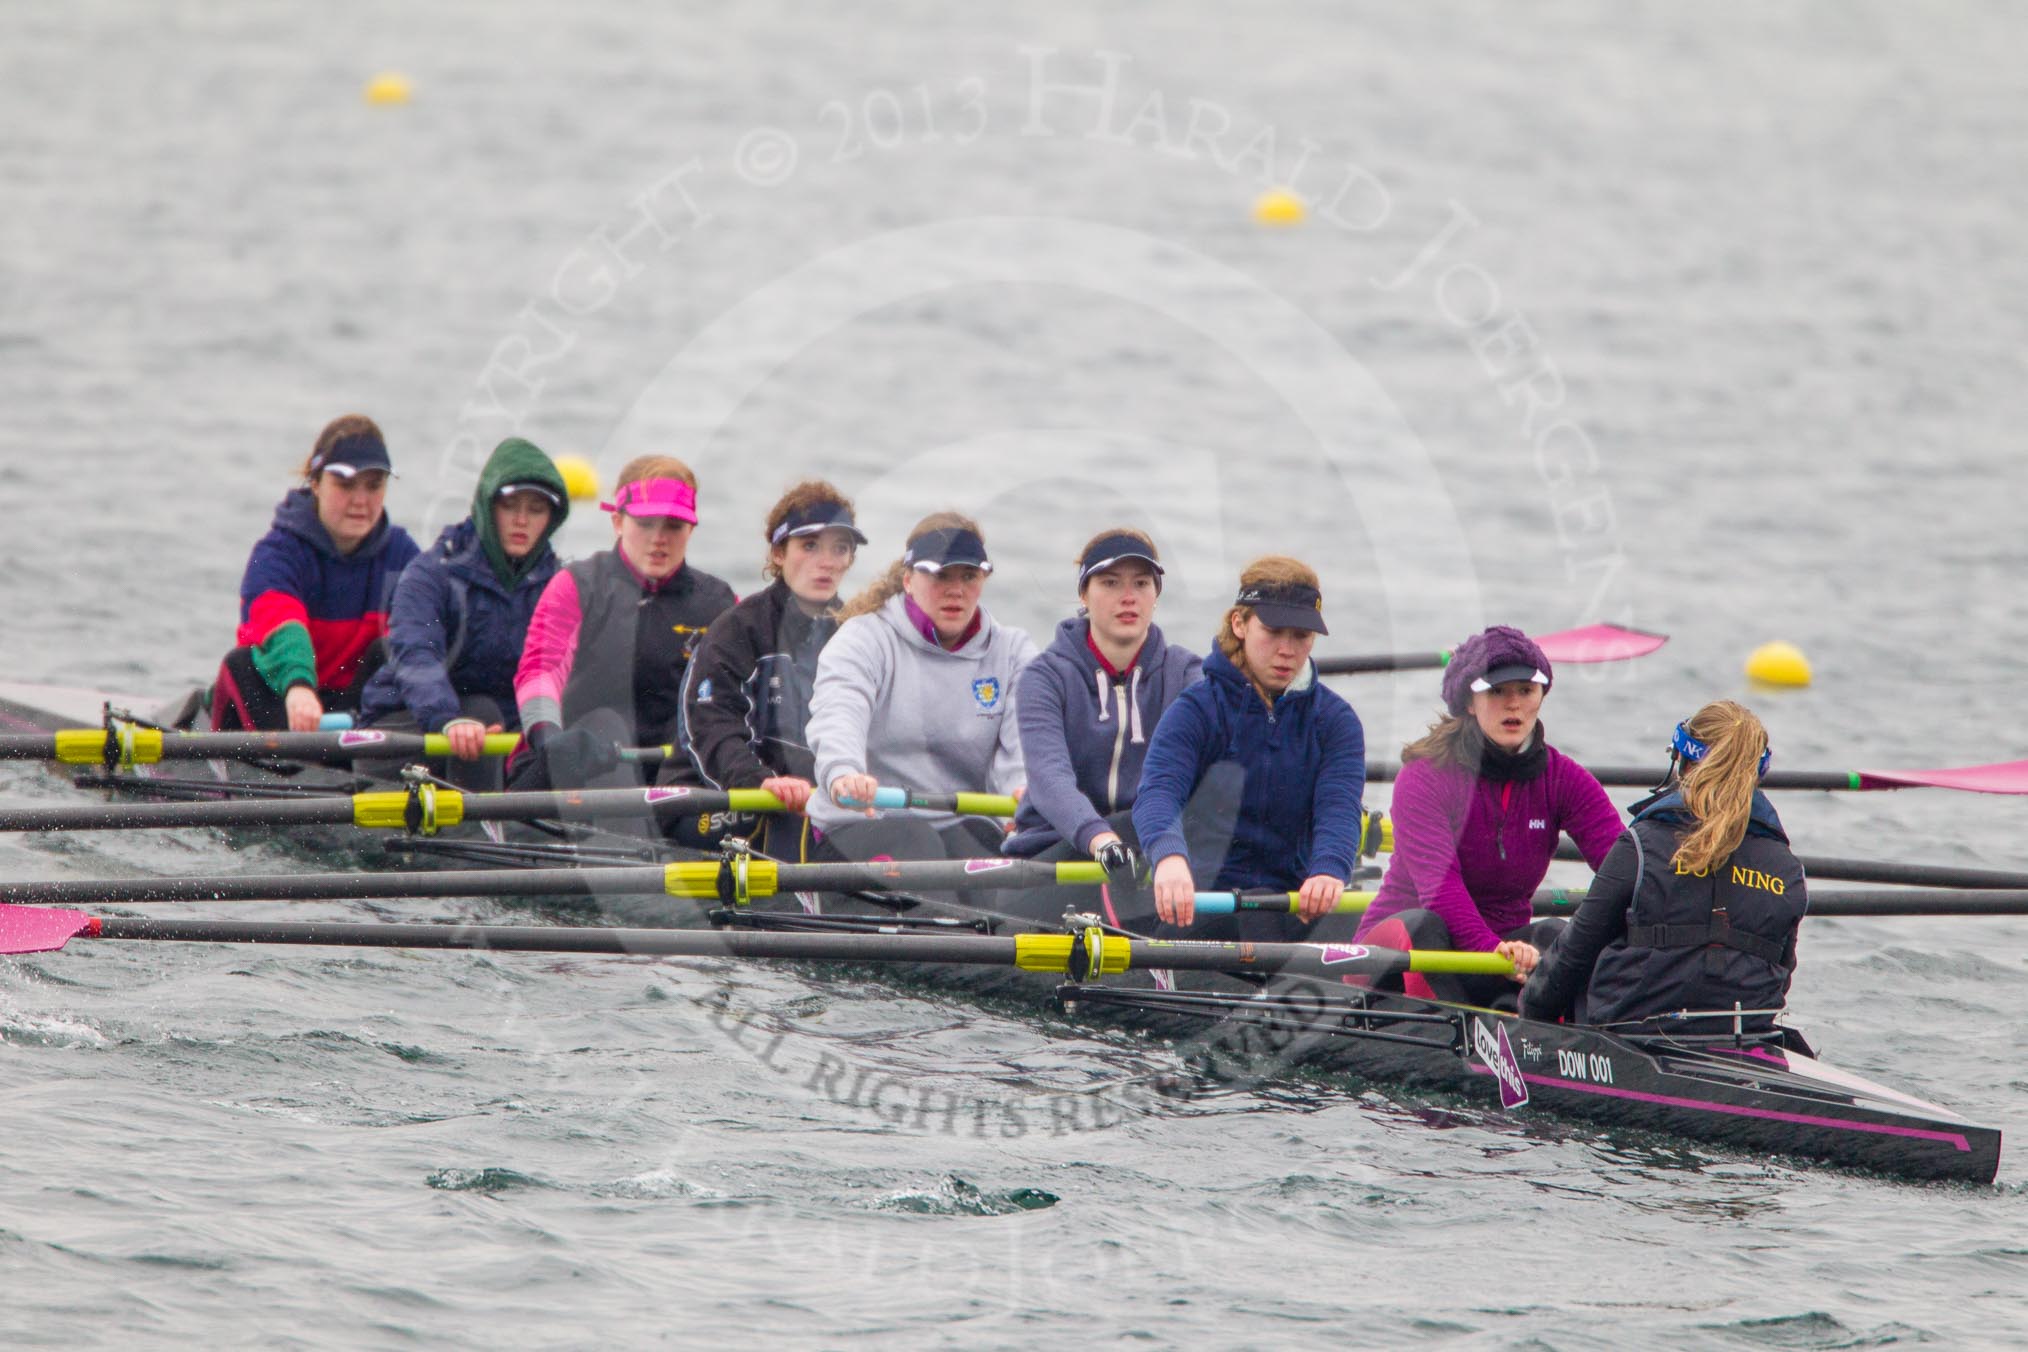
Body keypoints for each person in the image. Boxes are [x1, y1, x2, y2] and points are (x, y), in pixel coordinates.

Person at [1349, 625, 1623, 1005]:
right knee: (1425, 925)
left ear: (1541, 696)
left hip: (1502, 955)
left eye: (1525, 691)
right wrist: (1492, 951)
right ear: (1467, 702)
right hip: (1399, 955)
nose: (1513, 705)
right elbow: (1440, 889)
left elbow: (1623, 869)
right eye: (1496, 691)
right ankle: (1451, 1036)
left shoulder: (1564, 780)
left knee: (1555, 935)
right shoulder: (1424, 777)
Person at [1522, 701, 1806, 1031]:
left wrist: (1529, 1023)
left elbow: (1573, 955)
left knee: (1551, 935)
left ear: (1682, 761)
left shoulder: (1641, 846)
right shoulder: (1788, 869)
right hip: (1742, 1034)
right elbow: (1782, 976)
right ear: (1757, 775)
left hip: (1633, 1033)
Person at [1131, 556, 1365, 943]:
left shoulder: (1336, 722)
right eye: (1273, 631)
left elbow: (1339, 808)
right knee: (1253, 920)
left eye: (1302, 636)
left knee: (1363, 924)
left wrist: (1329, 869)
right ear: (1239, 624)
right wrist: (1169, 857)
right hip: (1202, 903)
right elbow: (1157, 793)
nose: (1287, 650)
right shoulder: (1197, 710)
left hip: (1292, 902)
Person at [807, 512, 1037, 863]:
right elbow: (840, 710)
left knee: (990, 854)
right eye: (940, 575)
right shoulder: (865, 638)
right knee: (917, 842)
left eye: (969, 576)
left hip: (961, 821)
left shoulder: (1012, 651)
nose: (956, 590)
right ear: (909, 580)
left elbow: (1024, 744)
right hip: (864, 819)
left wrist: (1023, 793)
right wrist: (844, 772)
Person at [1000, 529, 1201, 926]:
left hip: (1153, 853)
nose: (1128, 597)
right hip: (1052, 856)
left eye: (1141, 584)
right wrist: (1100, 839)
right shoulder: (1045, 676)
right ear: (1084, 594)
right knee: (1127, 827)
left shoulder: (1186, 675)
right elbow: (1049, 779)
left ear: (1155, 595)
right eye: (1110, 583)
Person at [508, 454, 736, 792]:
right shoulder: (578, 585)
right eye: (646, 524)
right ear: (617, 522)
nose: (659, 538)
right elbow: (541, 669)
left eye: (673, 525)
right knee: (606, 724)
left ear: (690, 528)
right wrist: (547, 737)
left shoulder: (719, 602)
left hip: (669, 772)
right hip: (570, 762)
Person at [356, 438, 570, 790]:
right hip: (407, 731)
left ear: (551, 518)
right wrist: (447, 719)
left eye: (535, 509)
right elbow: (416, 654)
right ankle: (488, 831)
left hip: (498, 739)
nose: (521, 520)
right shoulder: (430, 573)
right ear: (487, 507)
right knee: (482, 712)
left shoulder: (559, 586)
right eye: (510, 505)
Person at [676, 481, 866, 860]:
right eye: (809, 546)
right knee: (794, 820)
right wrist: (762, 782)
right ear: (779, 553)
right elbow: (710, 734)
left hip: (815, 798)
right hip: (718, 795)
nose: (826, 561)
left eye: (839, 548)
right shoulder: (737, 631)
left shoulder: (858, 634)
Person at [211, 415, 420, 732]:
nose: (361, 501)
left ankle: (361, 766)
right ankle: (260, 768)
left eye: (374, 485)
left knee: (393, 651)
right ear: (316, 483)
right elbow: (283, 626)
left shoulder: (402, 555)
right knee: (240, 663)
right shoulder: (277, 553)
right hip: (281, 700)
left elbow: (425, 633)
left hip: (350, 710)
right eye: (345, 484)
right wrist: (298, 686)